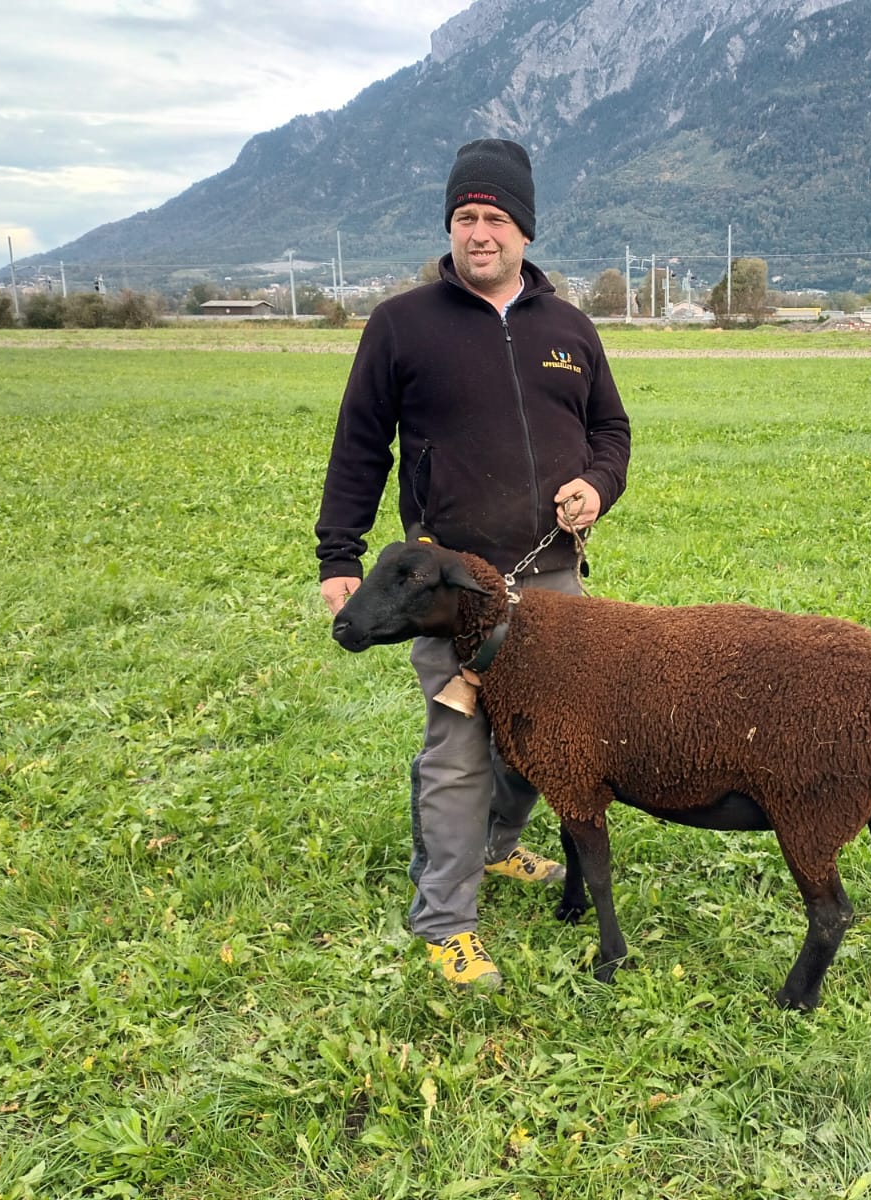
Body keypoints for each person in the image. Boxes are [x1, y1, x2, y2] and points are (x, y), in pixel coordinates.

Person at [315, 138, 631, 991]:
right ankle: (447, 921)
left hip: (551, 580)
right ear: (449, 229)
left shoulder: (570, 327)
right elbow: (359, 447)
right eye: (465, 218)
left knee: (539, 742)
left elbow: (611, 434)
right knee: (458, 747)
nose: (479, 232)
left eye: (495, 218)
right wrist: (338, 555)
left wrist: (596, 487)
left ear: (525, 229)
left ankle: (497, 849)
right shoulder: (402, 324)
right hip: (448, 591)